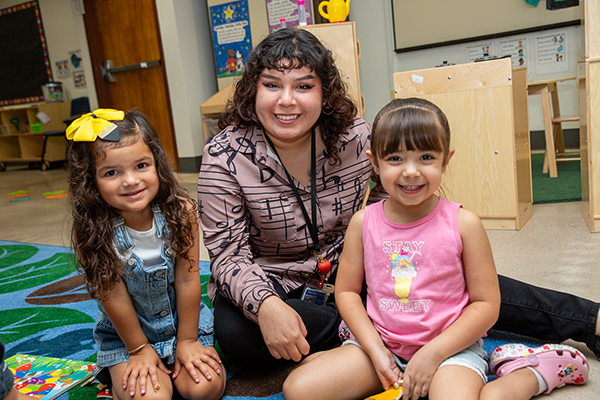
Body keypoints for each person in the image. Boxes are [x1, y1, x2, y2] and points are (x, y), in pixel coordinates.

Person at [198, 28, 600, 369]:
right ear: (253, 89)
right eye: (272, 85)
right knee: (236, 335)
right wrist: (266, 305)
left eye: (304, 86)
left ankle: (590, 321)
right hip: (272, 282)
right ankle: (398, 328)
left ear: (324, 91)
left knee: (447, 272)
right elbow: (228, 255)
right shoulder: (225, 155)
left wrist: (418, 258)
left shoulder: (356, 137)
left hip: (358, 269)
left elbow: (392, 198)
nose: (287, 100)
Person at [282, 98, 589, 400]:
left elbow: (486, 304)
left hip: (450, 351)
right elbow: (347, 292)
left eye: (426, 157)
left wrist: (433, 354)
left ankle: (532, 370)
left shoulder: (464, 224)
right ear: (374, 161)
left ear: (446, 159)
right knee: (298, 390)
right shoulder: (363, 223)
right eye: (395, 159)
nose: (411, 171)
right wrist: (375, 350)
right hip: (381, 346)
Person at [67, 109, 226, 400]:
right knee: (151, 397)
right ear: (91, 180)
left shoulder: (182, 212)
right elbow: (112, 296)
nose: (130, 181)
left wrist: (188, 340)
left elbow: (189, 281)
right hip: (127, 338)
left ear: (157, 163)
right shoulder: (90, 230)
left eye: (141, 165)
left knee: (206, 388)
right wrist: (139, 350)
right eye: (112, 172)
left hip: (183, 326)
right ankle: (115, 377)